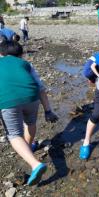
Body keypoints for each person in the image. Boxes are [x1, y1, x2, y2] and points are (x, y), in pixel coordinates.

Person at [0, 41, 58, 185]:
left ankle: (35, 164)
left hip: (8, 100)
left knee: (14, 134)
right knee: (30, 122)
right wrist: (48, 111)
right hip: (31, 96)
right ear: (21, 54)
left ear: (1, 54)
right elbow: (41, 88)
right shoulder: (26, 64)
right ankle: (28, 146)